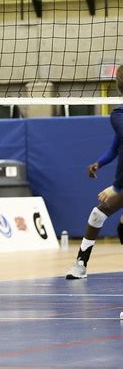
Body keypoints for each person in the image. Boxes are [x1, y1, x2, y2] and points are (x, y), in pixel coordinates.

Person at [66, 65, 123, 280]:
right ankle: (81, 263)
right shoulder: (120, 116)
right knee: (98, 214)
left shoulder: (118, 115)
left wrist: (116, 186)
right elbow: (117, 145)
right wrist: (100, 163)